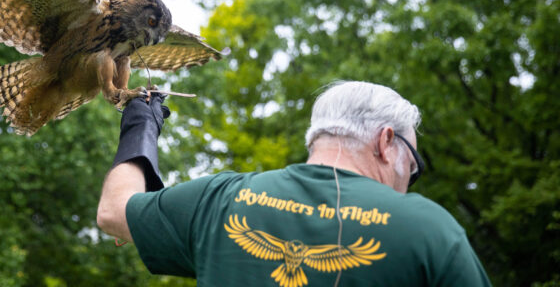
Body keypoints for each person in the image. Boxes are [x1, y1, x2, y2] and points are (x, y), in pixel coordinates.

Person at [97, 81, 492, 286]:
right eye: (414, 165)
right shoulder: (431, 229)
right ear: (386, 142)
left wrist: (140, 125)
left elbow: (115, 210)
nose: (409, 181)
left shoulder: (218, 199)